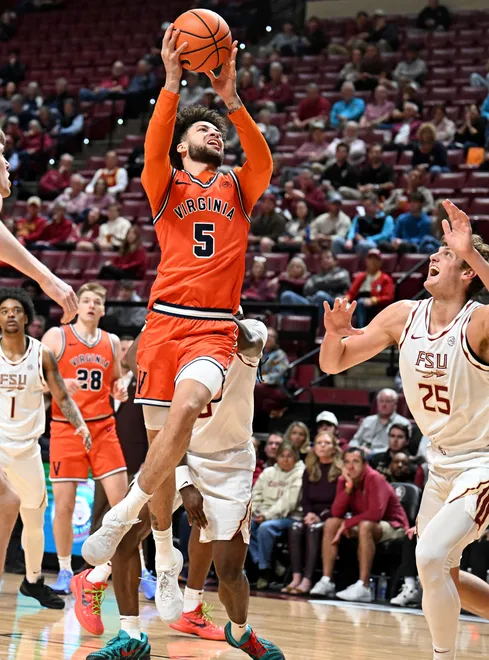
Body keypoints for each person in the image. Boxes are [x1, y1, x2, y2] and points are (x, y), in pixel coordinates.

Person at [81, 25, 273, 632]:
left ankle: (121, 521)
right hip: (163, 324)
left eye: (216, 129)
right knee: (164, 466)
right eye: (203, 129)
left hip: (214, 328)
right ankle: (161, 551)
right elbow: (154, 144)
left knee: (190, 410)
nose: (213, 132)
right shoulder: (165, 186)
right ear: (185, 147)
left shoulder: (240, 186)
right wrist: (169, 86)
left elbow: (263, 156)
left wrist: (231, 97)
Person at [319, 199, 489, 659]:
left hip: (483, 463)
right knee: (442, 572)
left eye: (447, 253)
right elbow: (333, 363)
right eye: (437, 249)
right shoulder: (402, 315)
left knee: (430, 557)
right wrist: (335, 332)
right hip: (440, 465)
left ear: (470, 272)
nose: (435, 255)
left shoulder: (478, 323)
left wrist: (471, 249)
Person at [81, 316, 285, 659]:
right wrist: (164, 325)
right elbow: (134, 362)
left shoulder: (252, 329)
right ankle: (130, 635)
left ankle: (240, 632)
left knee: (229, 571)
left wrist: (219, 313)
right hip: (179, 451)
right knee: (125, 536)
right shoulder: (178, 331)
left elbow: (251, 342)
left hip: (230, 461)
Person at [0, 287, 89, 607]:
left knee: (34, 517)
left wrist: (80, 424)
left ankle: (33, 580)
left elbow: (62, 397)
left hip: (27, 449)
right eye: (4, 310)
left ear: (27, 317)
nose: (10, 314)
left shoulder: (41, 355)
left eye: (16, 310)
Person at [42, 282, 129, 595]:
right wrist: (57, 382)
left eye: (97, 302)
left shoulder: (111, 341)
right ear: (77, 306)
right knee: (64, 505)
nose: (91, 305)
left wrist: (120, 390)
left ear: (104, 310)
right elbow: (34, 379)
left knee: (124, 505)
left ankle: (139, 568)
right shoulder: (56, 336)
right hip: (66, 428)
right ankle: (65, 570)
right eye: (87, 300)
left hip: (104, 428)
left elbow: (117, 384)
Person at [310, 447, 408, 601]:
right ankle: (327, 580)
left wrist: (347, 524)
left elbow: (376, 513)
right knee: (331, 523)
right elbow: (336, 512)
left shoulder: (374, 478)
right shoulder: (344, 480)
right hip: (366, 523)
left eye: (355, 462)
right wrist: (348, 488)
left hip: (394, 525)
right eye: (347, 462)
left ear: (364, 464)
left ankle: (364, 586)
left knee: (365, 526)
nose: (350, 466)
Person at [284, 431, 342, 595]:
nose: (322, 446)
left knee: (313, 529)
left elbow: (339, 502)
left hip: (330, 515)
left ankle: (308, 579)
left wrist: (320, 516)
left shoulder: (339, 471)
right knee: (295, 528)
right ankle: (296, 577)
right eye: (319, 443)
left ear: (334, 448)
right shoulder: (309, 470)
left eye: (327, 443)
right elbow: (305, 499)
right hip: (311, 514)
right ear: (314, 447)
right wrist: (308, 513)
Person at [249, 442, 305, 589]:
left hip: (290, 516)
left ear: (296, 458)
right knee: (245, 524)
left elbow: (288, 503)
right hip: (263, 514)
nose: (285, 459)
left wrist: (266, 516)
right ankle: (271, 562)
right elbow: (255, 494)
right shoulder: (268, 473)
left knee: (265, 528)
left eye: (289, 456)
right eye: (282, 456)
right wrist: (256, 512)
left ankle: (264, 571)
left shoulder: (300, 473)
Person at [280, 248, 351, 313]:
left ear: (336, 261)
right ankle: (286, 326)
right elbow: (307, 289)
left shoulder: (342, 272)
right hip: (311, 304)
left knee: (321, 295)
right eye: (322, 259)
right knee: (287, 295)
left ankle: (319, 326)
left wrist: (317, 285)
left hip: (333, 304)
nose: (324, 260)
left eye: (328, 258)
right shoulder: (315, 276)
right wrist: (328, 284)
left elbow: (342, 282)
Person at [333, 192, 395, 257]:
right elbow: (352, 229)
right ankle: (339, 265)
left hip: (374, 245)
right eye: (364, 205)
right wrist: (349, 239)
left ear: (376, 205)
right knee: (337, 241)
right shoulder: (359, 217)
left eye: (368, 205)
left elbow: (384, 235)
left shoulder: (387, 218)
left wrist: (367, 239)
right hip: (357, 244)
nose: (365, 208)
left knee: (363, 245)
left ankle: (359, 266)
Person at [350, 388, 411, 453]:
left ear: (395, 404)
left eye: (388, 401)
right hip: (362, 454)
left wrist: (373, 452)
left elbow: (402, 447)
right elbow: (355, 440)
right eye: (381, 401)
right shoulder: (367, 420)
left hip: (386, 457)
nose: (384, 405)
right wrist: (358, 449)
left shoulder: (404, 423)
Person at [345, 248, 395, 328]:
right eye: (370, 259)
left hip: (374, 306)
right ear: (366, 261)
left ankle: (360, 331)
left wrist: (374, 300)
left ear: (380, 262)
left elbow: (389, 297)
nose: (372, 262)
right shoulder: (360, 276)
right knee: (341, 305)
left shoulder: (385, 279)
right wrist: (345, 300)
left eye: (375, 259)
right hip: (356, 303)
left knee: (360, 303)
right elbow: (351, 293)